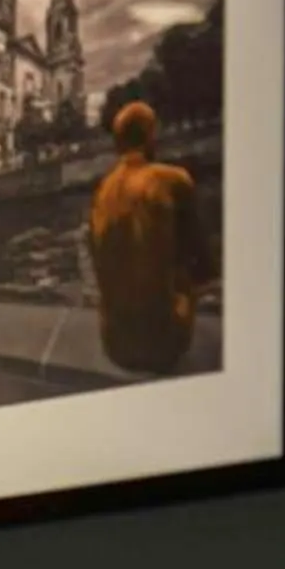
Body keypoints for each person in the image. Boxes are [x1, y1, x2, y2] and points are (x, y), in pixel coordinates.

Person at [85, 100, 212, 377]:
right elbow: (203, 263)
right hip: (165, 343)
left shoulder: (102, 192)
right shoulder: (173, 179)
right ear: (151, 135)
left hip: (115, 344)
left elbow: (95, 257)